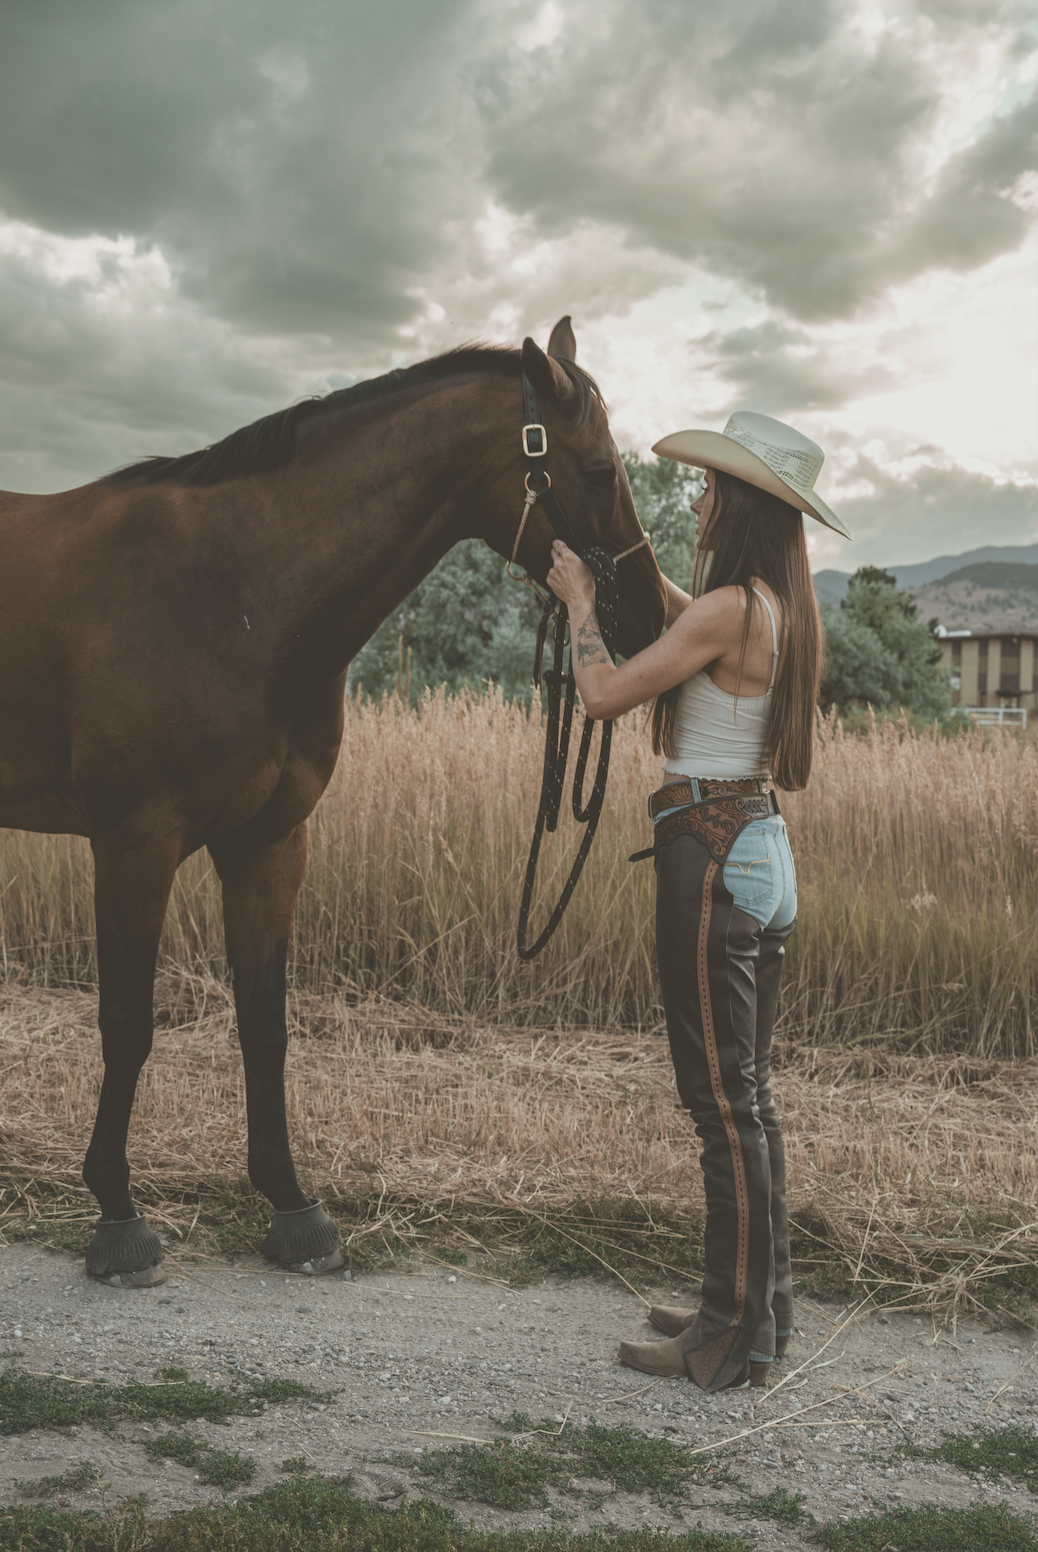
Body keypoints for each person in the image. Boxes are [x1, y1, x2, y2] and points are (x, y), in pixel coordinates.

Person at [546, 411, 850, 1394]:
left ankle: (724, 1332)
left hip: (711, 853)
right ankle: (760, 1308)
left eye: (713, 486)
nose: (700, 498)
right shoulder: (774, 607)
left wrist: (581, 602)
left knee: (721, 1108)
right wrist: (632, 567)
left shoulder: (731, 609)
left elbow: (602, 693)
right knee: (748, 1103)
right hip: (759, 846)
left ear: (745, 505)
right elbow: (687, 616)